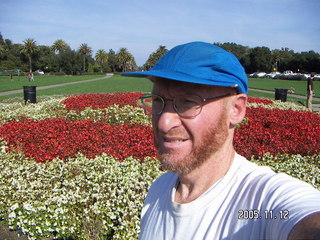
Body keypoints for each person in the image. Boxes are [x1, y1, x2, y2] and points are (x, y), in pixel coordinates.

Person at [122, 42, 320, 240]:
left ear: (236, 110)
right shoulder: (158, 190)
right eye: (158, 101)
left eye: (188, 103)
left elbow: (302, 218)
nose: (164, 122)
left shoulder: (262, 205)